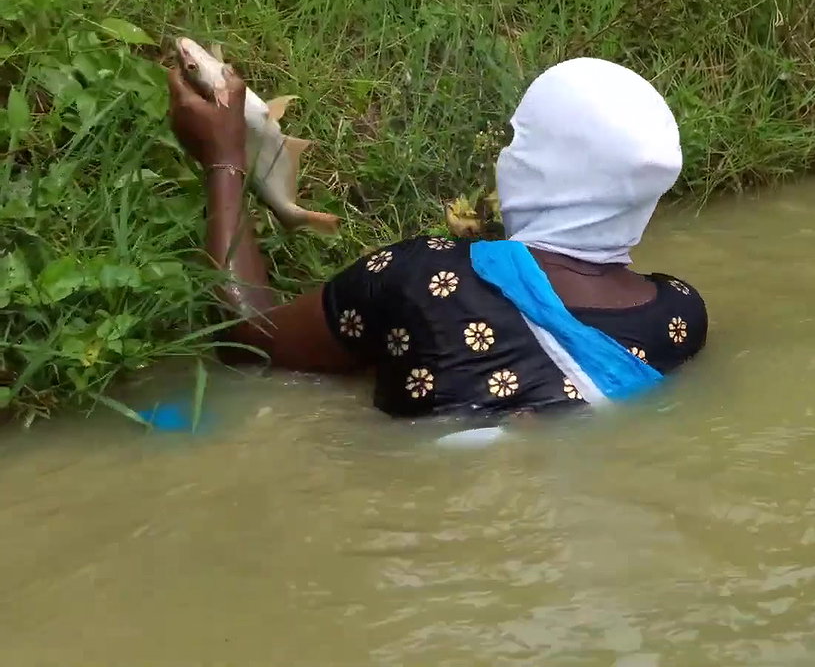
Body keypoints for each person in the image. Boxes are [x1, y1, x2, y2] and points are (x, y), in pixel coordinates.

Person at [165, 56, 709, 429]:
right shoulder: (680, 315)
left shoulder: (422, 277)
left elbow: (250, 340)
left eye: (520, 141)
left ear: (544, 164)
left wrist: (224, 159)